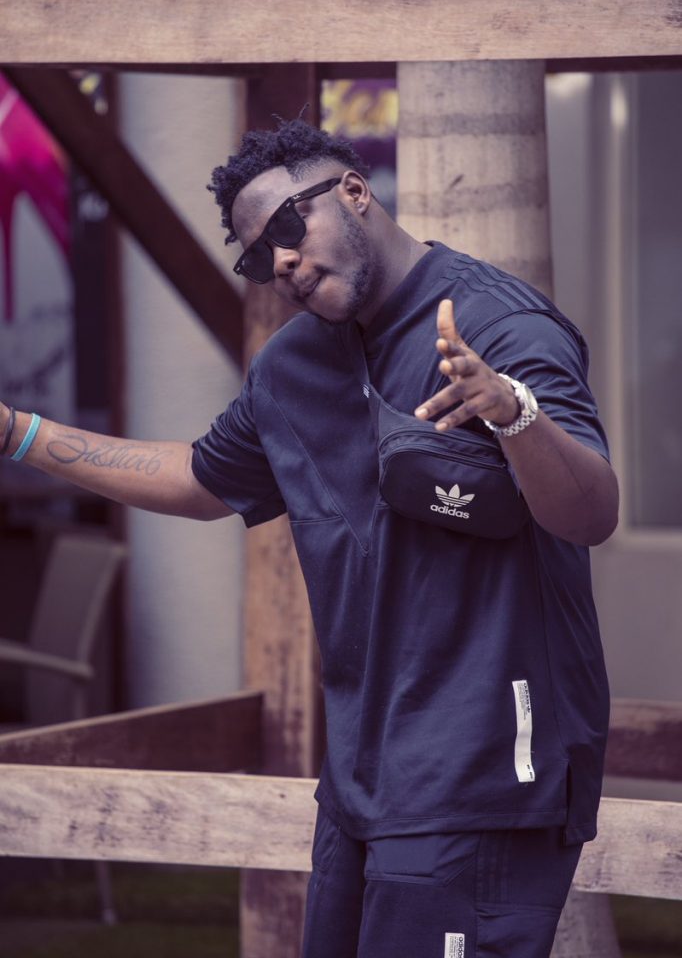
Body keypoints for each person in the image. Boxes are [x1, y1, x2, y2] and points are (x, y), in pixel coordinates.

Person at [0, 118, 618, 958]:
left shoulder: (496, 325)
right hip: (362, 780)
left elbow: (591, 512)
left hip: (485, 776)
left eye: (289, 227)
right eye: (258, 257)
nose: (282, 262)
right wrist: (17, 434)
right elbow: (198, 479)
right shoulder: (291, 367)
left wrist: (513, 414)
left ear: (354, 193)